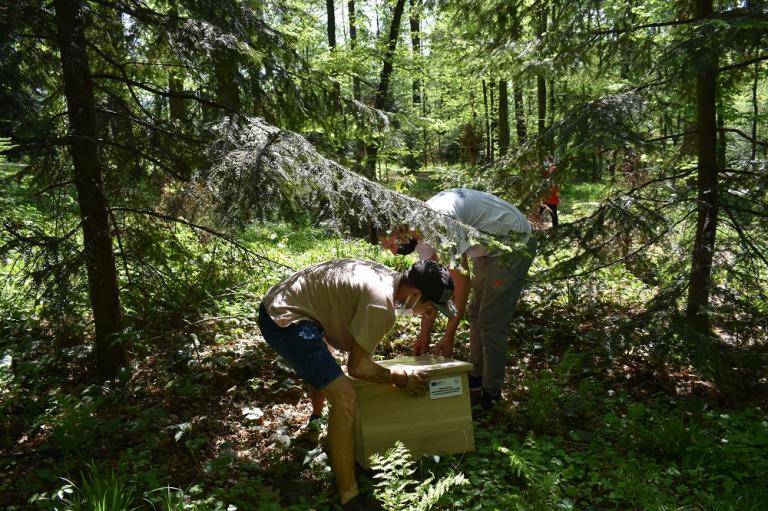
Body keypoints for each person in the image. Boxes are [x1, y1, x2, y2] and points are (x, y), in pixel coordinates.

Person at [257, 258, 456, 511]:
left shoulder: (387, 278)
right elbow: (359, 367)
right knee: (345, 395)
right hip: (285, 318)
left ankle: (323, 430)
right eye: (432, 306)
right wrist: (400, 378)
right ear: (415, 294)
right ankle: (350, 497)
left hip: (286, 303)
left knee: (325, 366)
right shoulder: (380, 302)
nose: (431, 313)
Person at [379, 188, 536, 410]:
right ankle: (475, 375)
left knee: (490, 321)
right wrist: (425, 334)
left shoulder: (440, 224)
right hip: (487, 250)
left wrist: (448, 335)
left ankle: (491, 394)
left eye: (393, 245)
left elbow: (461, 283)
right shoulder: (422, 237)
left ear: (401, 229)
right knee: (475, 314)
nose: (395, 252)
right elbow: (432, 288)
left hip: (512, 243)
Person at [540, 155, 560, 228]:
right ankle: (538, 224)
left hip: (552, 195)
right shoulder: (549, 168)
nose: (545, 162)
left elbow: (549, 176)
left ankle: (555, 228)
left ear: (549, 161)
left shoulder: (553, 168)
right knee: (541, 210)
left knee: (553, 213)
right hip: (547, 195)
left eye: (546, 160)